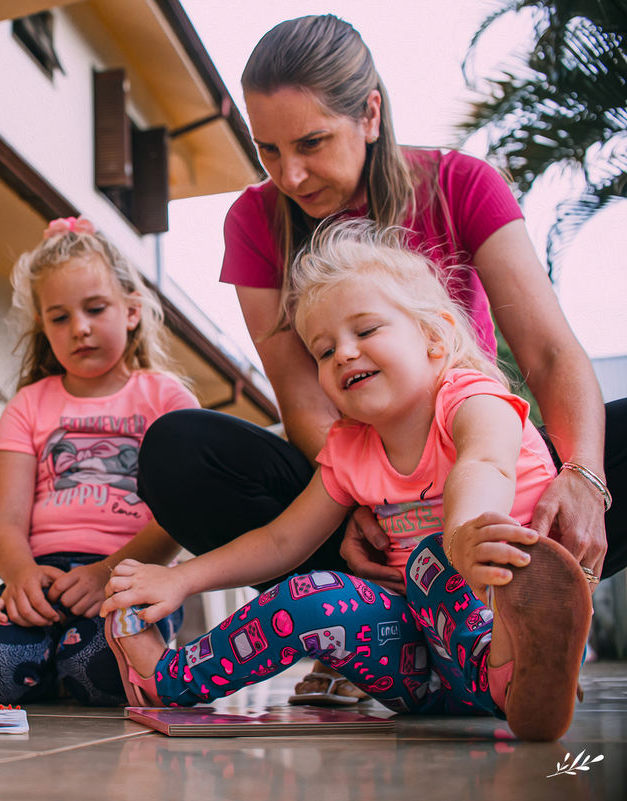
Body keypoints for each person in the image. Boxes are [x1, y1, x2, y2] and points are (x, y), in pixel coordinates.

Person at [137, 14, 620, 705]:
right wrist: (360, 497)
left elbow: (545, 353)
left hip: (490, 488)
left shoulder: (461, 183)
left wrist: (585, 477)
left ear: (368, 114)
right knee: (179, 449)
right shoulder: (254, 222)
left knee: (564, 466)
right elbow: (304, 402)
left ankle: (527, 620)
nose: (290, 174)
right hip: (365, 480)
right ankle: (374, 631)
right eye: (268, 150)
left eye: (311, 142)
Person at [103, 220, 593, 741]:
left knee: (434, 558)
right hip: (417, 671)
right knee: (310, 595)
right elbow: (281, 540)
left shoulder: (473, 399)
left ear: (435, 336)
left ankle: (520, 671)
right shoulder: (349, 445)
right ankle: (168, 680)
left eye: (365, 330)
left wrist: (467, 536)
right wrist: (182, 578)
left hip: (491, 621)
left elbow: (484, 465)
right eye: (324, 349)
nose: (344, 354)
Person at [0, 217, 199, 706]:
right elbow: (4, 522)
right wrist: (21, 576)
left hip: (132, 574)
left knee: (105, 676)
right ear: (43, 325)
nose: (79, 328)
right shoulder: (27, 404)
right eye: (59, 317)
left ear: (131, 311)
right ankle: (47, 659)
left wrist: (108, 571)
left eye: (96, 308)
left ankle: (61, 663)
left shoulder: (168, 399)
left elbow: (181, 516)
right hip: (42, 575)